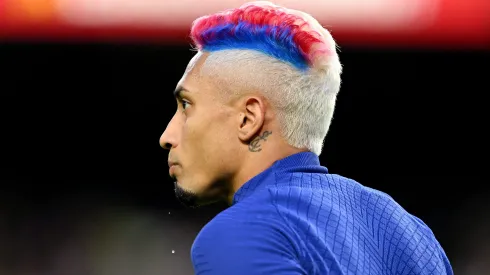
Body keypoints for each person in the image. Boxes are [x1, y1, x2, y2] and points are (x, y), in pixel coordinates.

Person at [159, 1, 453, 274]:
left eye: (186, 105)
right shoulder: (410, 232)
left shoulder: (240, 234)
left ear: (248, 119)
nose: (166, 136)